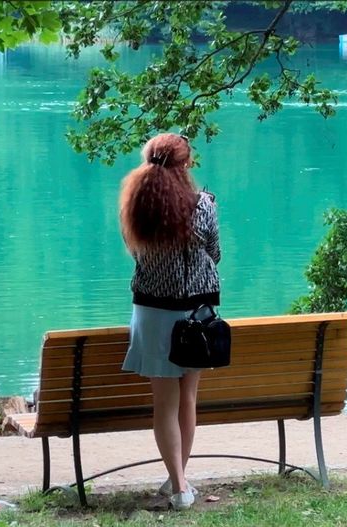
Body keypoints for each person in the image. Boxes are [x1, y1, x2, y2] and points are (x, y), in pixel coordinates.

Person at [118, 133, 221, 510]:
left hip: (152, 313)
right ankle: (178, 481)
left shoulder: (136, 207)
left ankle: (178, 485)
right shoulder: (202, 206)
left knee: (164, 404)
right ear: (186, 165)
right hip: (198, 315)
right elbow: (215, 253)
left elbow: (136, 256)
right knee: (188, 398)